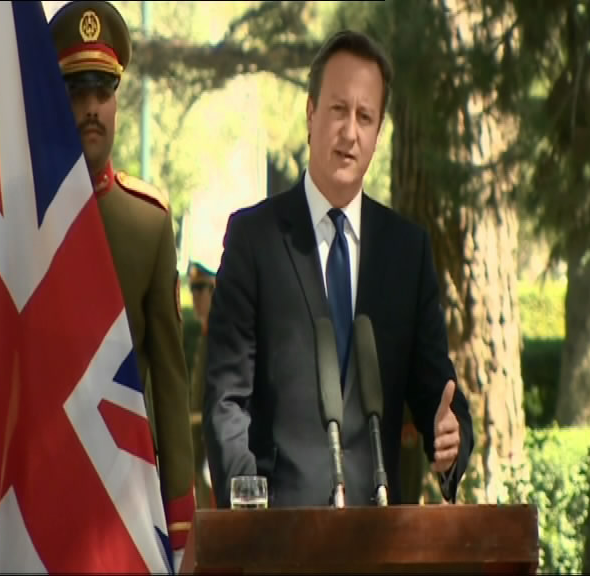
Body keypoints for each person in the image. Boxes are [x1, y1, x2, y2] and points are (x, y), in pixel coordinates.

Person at [203, 29, 474, 508]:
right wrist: (249, 512)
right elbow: (226, 402)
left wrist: (452, 438)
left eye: (365, 117)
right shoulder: (254, 239)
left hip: (380, 530)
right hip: (278, 531)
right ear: (311, 114)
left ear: (378, 133)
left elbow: (439, 393)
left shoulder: (406, 251)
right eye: (338, 110)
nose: (350, 132)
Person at [48, 0, 195, 565]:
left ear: (116, 101)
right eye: (76, 91)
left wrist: (180, 521)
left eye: (102, 92)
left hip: (123, 497)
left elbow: (171, 381)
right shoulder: (19, 218)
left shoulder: (146, 221)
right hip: (39, 493)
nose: (91, 108)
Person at [187, 260, 217, 509]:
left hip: (212, 442)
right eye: (193, 289)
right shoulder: (205, 335)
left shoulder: (219, 336)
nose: (195, 297)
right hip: (198, 443)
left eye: (201, 289)